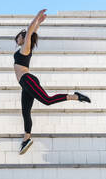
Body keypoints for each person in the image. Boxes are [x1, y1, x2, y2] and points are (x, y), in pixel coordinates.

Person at [14, 9, 91, 155]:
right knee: (25, 111)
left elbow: (30, 32)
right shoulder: (24, 46)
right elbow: (32, 32)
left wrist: (36, 18)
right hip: (25, 84)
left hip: (27, 80)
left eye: (18, 36)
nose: (16, 39)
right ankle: (27, 139)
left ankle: (75, 96)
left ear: (23, 38)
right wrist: (39, 24)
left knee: (47, 100)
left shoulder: (25, 47)